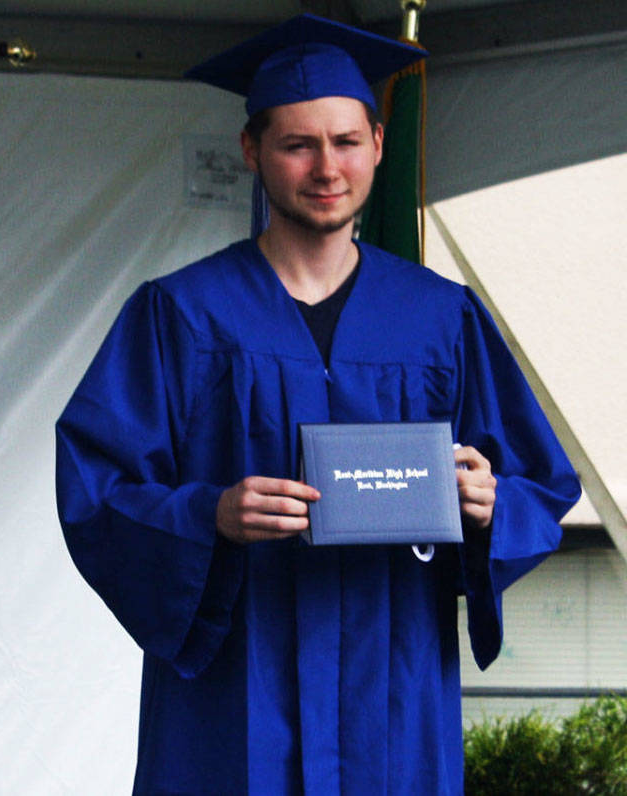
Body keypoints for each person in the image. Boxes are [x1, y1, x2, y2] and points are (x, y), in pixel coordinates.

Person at [54, 14, 580, 794]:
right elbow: (96, 496)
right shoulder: (181, 315)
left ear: (376, 141)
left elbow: (539, 483)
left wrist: (488, 502)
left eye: (345, 141)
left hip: (393, 685)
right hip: (234, 691)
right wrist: (211, 516)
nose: (326, 167)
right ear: (253, 152)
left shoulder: (443, 319)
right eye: (298, 144)